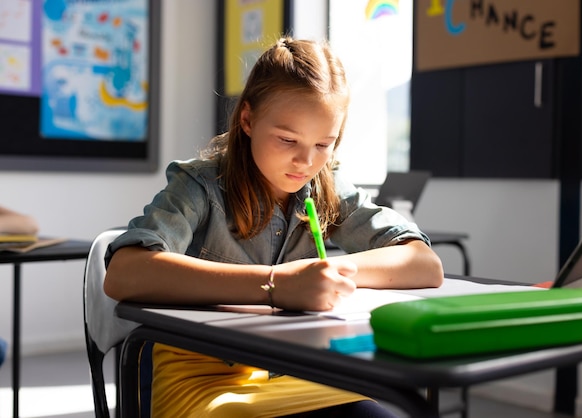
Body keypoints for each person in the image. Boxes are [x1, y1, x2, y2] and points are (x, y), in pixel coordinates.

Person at [104, 36, 444, 418]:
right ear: (247, 120)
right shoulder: (199, 185)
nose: (305, 161)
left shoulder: (326, 183)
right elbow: (123, 273)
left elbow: (424, 264)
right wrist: (276, 285)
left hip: (295, 372)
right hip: (200, 379)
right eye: (287, 139)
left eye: (324, 143)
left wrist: (326, 274)